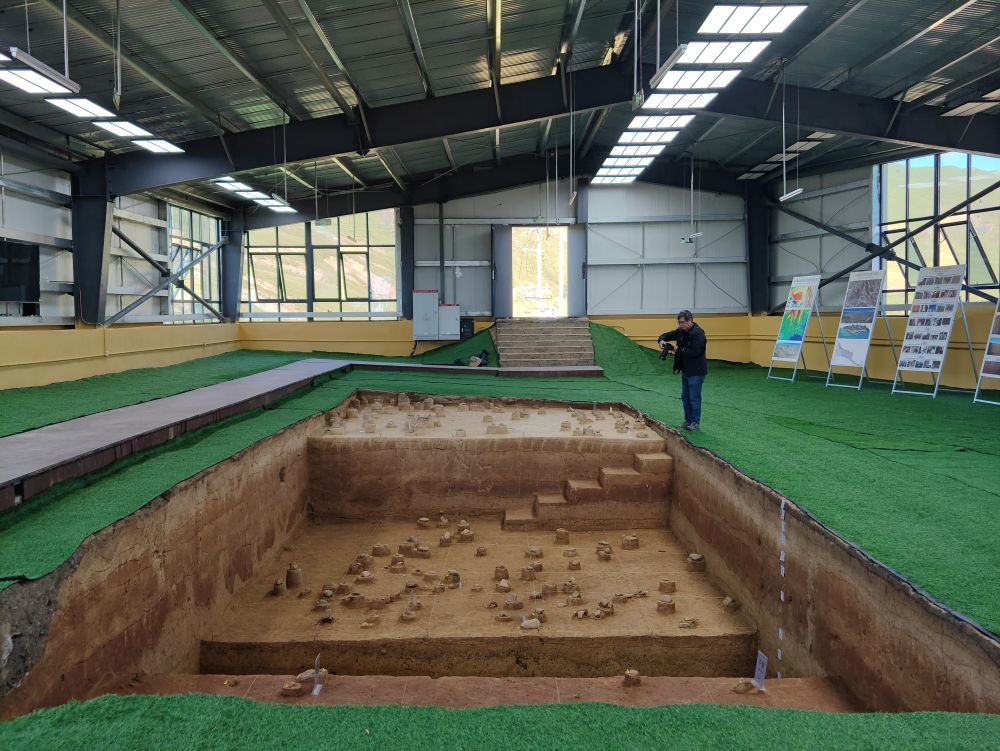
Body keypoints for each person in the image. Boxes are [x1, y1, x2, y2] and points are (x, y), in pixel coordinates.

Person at [657, 310, 708, 431]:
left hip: (696, 371)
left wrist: (677, 349)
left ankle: (695, 423)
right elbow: (667, 335)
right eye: (679, 322)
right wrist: (661, 340)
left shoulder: (698, 333)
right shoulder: (680, 331)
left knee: (694, 398)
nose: (680, 325)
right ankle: (688, 421)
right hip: (686, 370)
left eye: (682, 322)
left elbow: (696, 352)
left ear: (690, 320)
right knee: (685, 397)